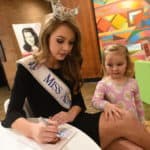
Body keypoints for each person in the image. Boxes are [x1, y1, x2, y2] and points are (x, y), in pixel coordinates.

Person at [2, 1, 150, 150]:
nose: (66, 48)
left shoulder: (70, 63)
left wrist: (71, 114)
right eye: (60, 41)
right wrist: (33, 130)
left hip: (77, 122)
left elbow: (78, 101)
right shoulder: (28, 67)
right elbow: (11, 114)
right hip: (55, 132)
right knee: (125, 119)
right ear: (46, 37)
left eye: (71, 43)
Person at [92, 44, 145, 122]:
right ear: (104, 65)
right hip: (115, 125)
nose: (115, 68)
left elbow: (138, 104)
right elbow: (95, 101)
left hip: (133, 122)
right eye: (110, 65)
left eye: (119, 64)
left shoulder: (133, 82)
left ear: (127, 64)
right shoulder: (103, 84)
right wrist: (106, 105)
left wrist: (142, 121)